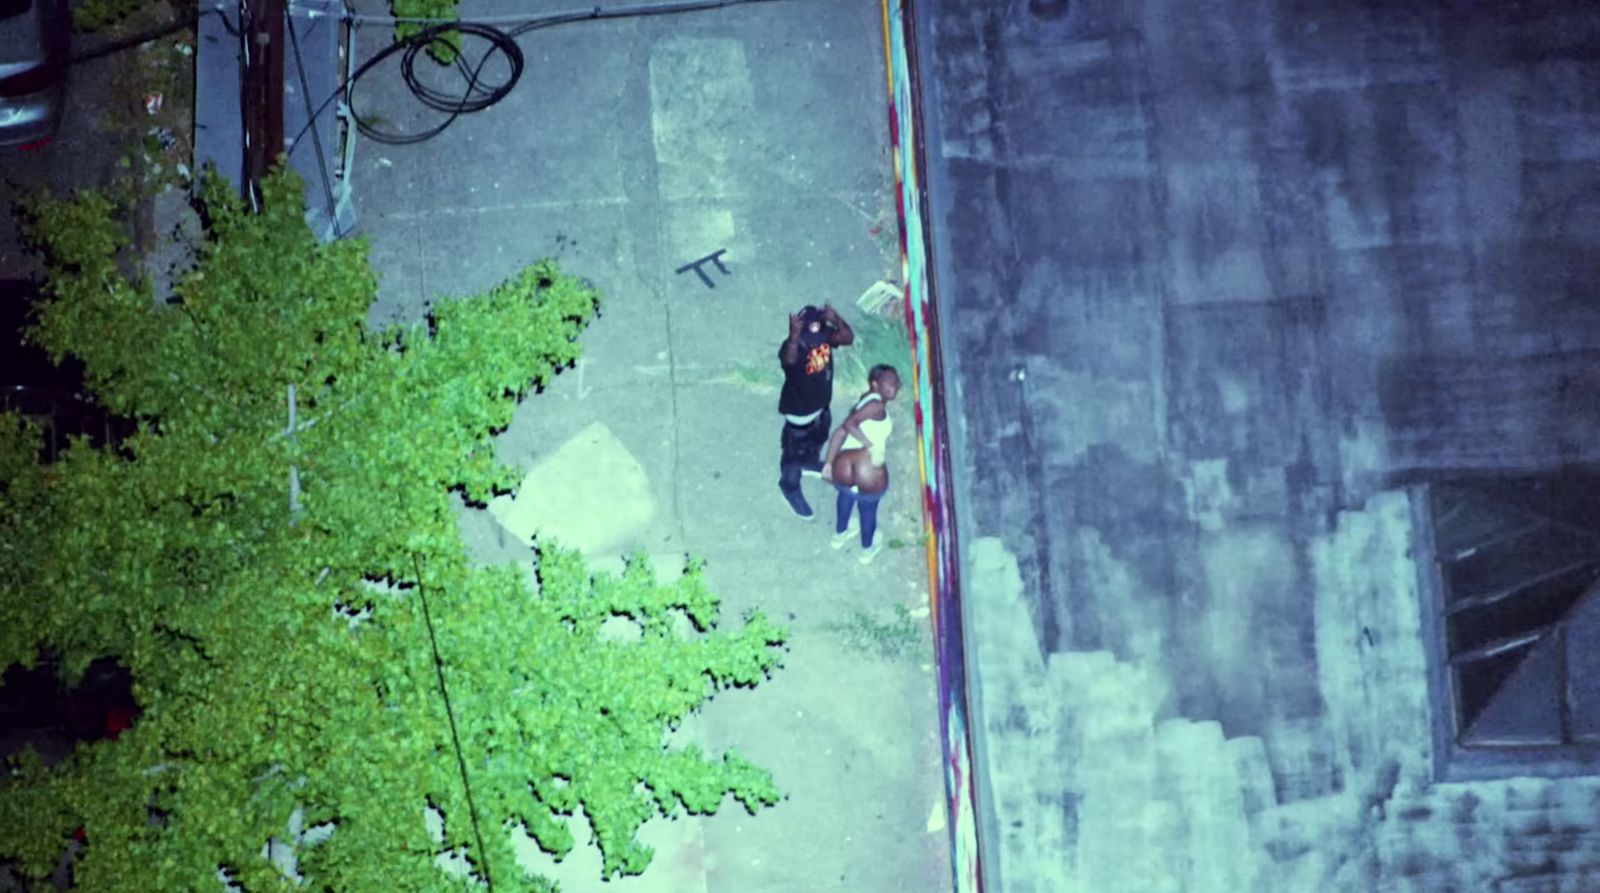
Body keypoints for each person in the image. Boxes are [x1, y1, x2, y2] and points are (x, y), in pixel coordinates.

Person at [778, 304, 854, 519]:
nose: (817, 342)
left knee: (817, 440)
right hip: (799, 413)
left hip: (821, 406)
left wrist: (836, 318)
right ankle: (789, 486)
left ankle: (809, 461)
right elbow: (788, 360)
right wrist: (793, 337)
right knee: (793, 454)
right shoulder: (795, 345)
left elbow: (847, 338)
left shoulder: (825, 336)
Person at [821, 365, 900, 564]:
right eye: (888, 382)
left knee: (846, 498)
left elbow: (840, 432)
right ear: (875, 384)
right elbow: (850, 424)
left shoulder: (866, 400)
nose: (894, 386)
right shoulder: (877, 406)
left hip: (844, 467)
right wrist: (871, 446)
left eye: (895, 381)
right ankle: (867, 549)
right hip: (866, 469)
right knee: (868, 509)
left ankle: (840, 535)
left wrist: (829, 465)